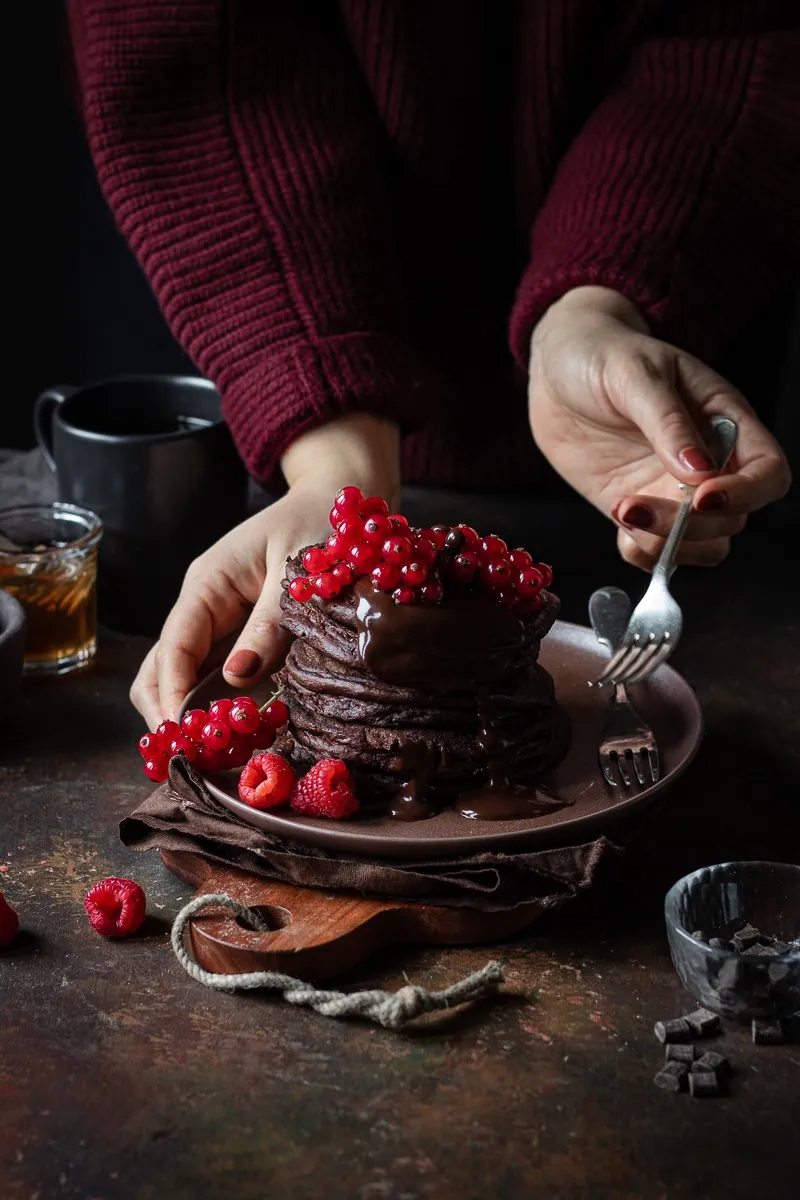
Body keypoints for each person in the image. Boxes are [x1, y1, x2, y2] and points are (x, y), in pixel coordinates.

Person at [67, 1, 796, 728]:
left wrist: (594, 312)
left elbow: (729, 57)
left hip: (660, 463)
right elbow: (208, 82)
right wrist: (335, 463)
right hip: (322, 392)